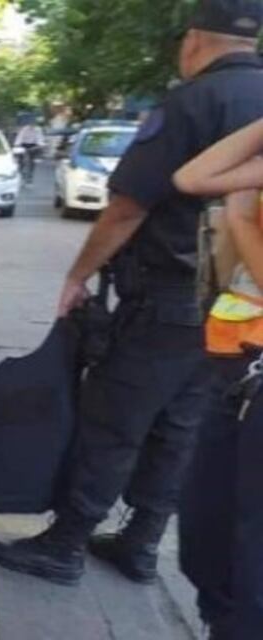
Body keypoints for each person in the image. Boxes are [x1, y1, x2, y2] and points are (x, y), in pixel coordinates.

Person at [0, 0, 263, 587]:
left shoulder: (193, 101)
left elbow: (128, 207)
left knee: (113, 419)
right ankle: (142, 542)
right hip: (239, 305)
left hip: (169, 296)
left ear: (192, 41)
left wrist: (78, 274)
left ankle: (65, 543)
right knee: (181, 425)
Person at [172, 117, 263, 640]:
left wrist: (242, 219)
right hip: (237, 363)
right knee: (206, 533)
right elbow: (194, 177)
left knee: (251, 557)